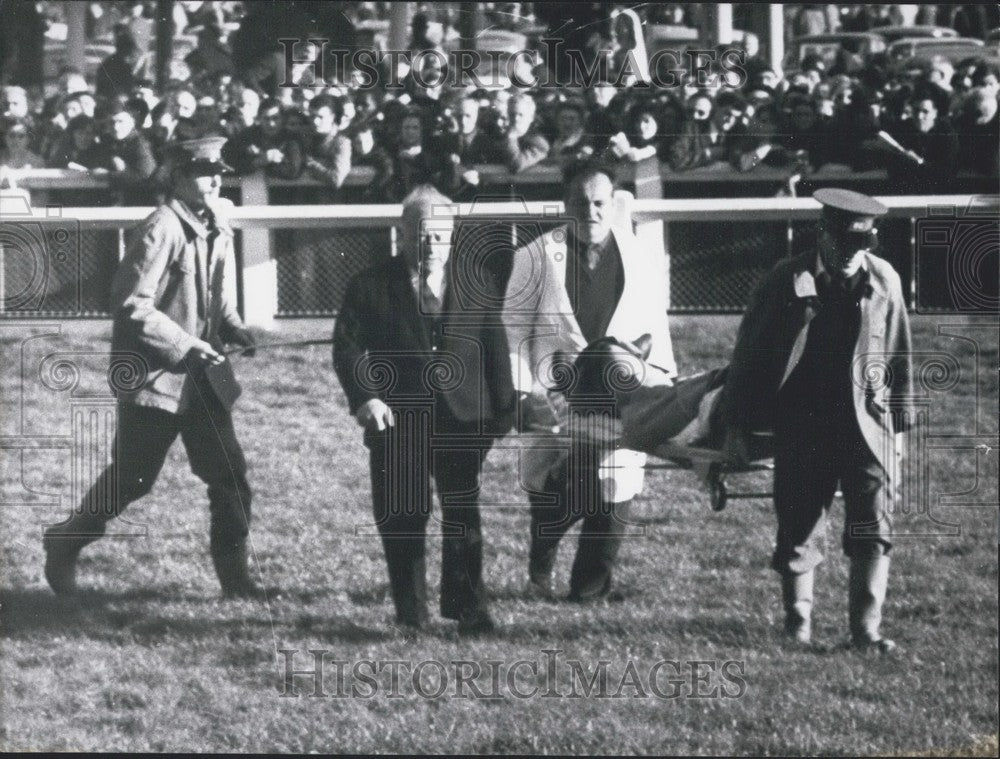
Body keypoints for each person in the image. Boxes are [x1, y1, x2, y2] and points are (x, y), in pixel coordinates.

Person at [42, 137, 261, 599]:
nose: (215, 179)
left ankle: (236, 583)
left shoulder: (215, 222)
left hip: (201, 381)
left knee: (229, 478)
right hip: (154, 381)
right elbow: (131, 304)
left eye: (218, 170)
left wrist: (235, 327)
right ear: (177, 177)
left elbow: (215, 292)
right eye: (203, 172)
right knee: (132, 480)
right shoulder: (161, 228)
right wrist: (186, 343)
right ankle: (65, 541)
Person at [722, 189, 913, 653]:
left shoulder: (884, 279)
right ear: (822, 234)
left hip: (867, 424)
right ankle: (798, 622)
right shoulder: (786, 278)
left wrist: (900, 426)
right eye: (843, 243)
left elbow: (899, 349)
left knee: (873, 524)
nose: (852, 254)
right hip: (804, 420)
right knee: (799, 521)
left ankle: (865, 631)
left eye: (861, 244)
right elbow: (750, 354)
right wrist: (736, 425)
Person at [332, 185, 515, 634]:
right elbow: (348, 348)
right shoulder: (370, 286)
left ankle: (469, 610)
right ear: (402, 232)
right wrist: (366, 397)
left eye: (439, 235)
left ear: (452, 235)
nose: (430, 245)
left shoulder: (477, 283)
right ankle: (411, 614)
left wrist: (502, 412)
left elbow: (495, 348)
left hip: (462, 421)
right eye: (420, 234)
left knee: (463, 517)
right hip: (399, 421)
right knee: (403, 517)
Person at [501, 161, 676, 602]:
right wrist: (523, 394)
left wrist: (662, 384)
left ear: (612, 203)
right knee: (557, 488)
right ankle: (540, 566)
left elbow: (656, 324)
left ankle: (590, 590)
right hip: (557, 395)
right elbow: (514, 331)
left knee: (616, 484)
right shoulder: (534, 256)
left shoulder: (638, 256)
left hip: (623, 394)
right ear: (565, 204)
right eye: (581, 202)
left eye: (600, 202)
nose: (591, 211)